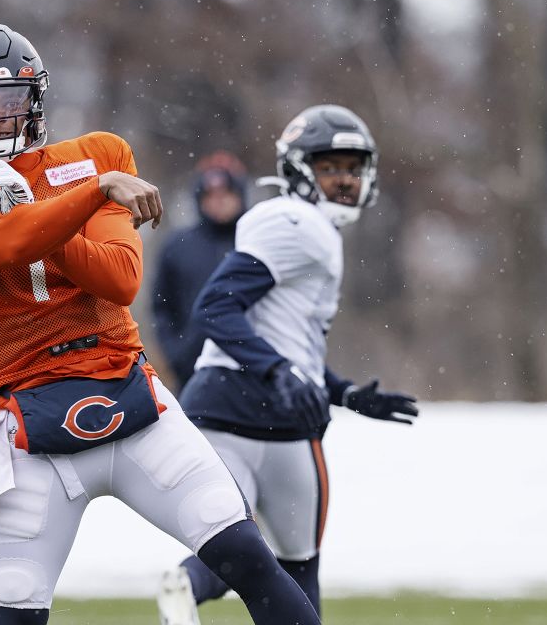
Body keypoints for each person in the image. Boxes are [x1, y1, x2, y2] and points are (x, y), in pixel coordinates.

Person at [0, 23, 320, 625]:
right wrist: (79, 202)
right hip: (28, 429)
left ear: (35, 98)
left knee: (246, 556)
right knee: (13, 609)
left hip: (132, 399)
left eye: (11, 100)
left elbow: (119, 279)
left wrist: (62, 202)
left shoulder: (98, 158)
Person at [156, 105, 419, 624]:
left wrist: (344, 393)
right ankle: (186, 583)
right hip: (266, 416)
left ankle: (187, 582)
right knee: (296, 570)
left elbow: (283, 341)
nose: (344, 178)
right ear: (299, 168)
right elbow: (215, 307)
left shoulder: (304, 226)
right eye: (330, 166)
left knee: (249, 552)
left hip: (223, 405)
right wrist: (277, 373)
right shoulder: (299, 223)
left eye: (351, 167)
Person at [152, 153, 248, 390]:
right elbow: (161, 307)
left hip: (252, 369)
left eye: (226, 193)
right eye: (211, 195)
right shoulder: (178, 245)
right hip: (193, 373)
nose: (219, 201)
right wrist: (176, 353)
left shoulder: (255, 242)